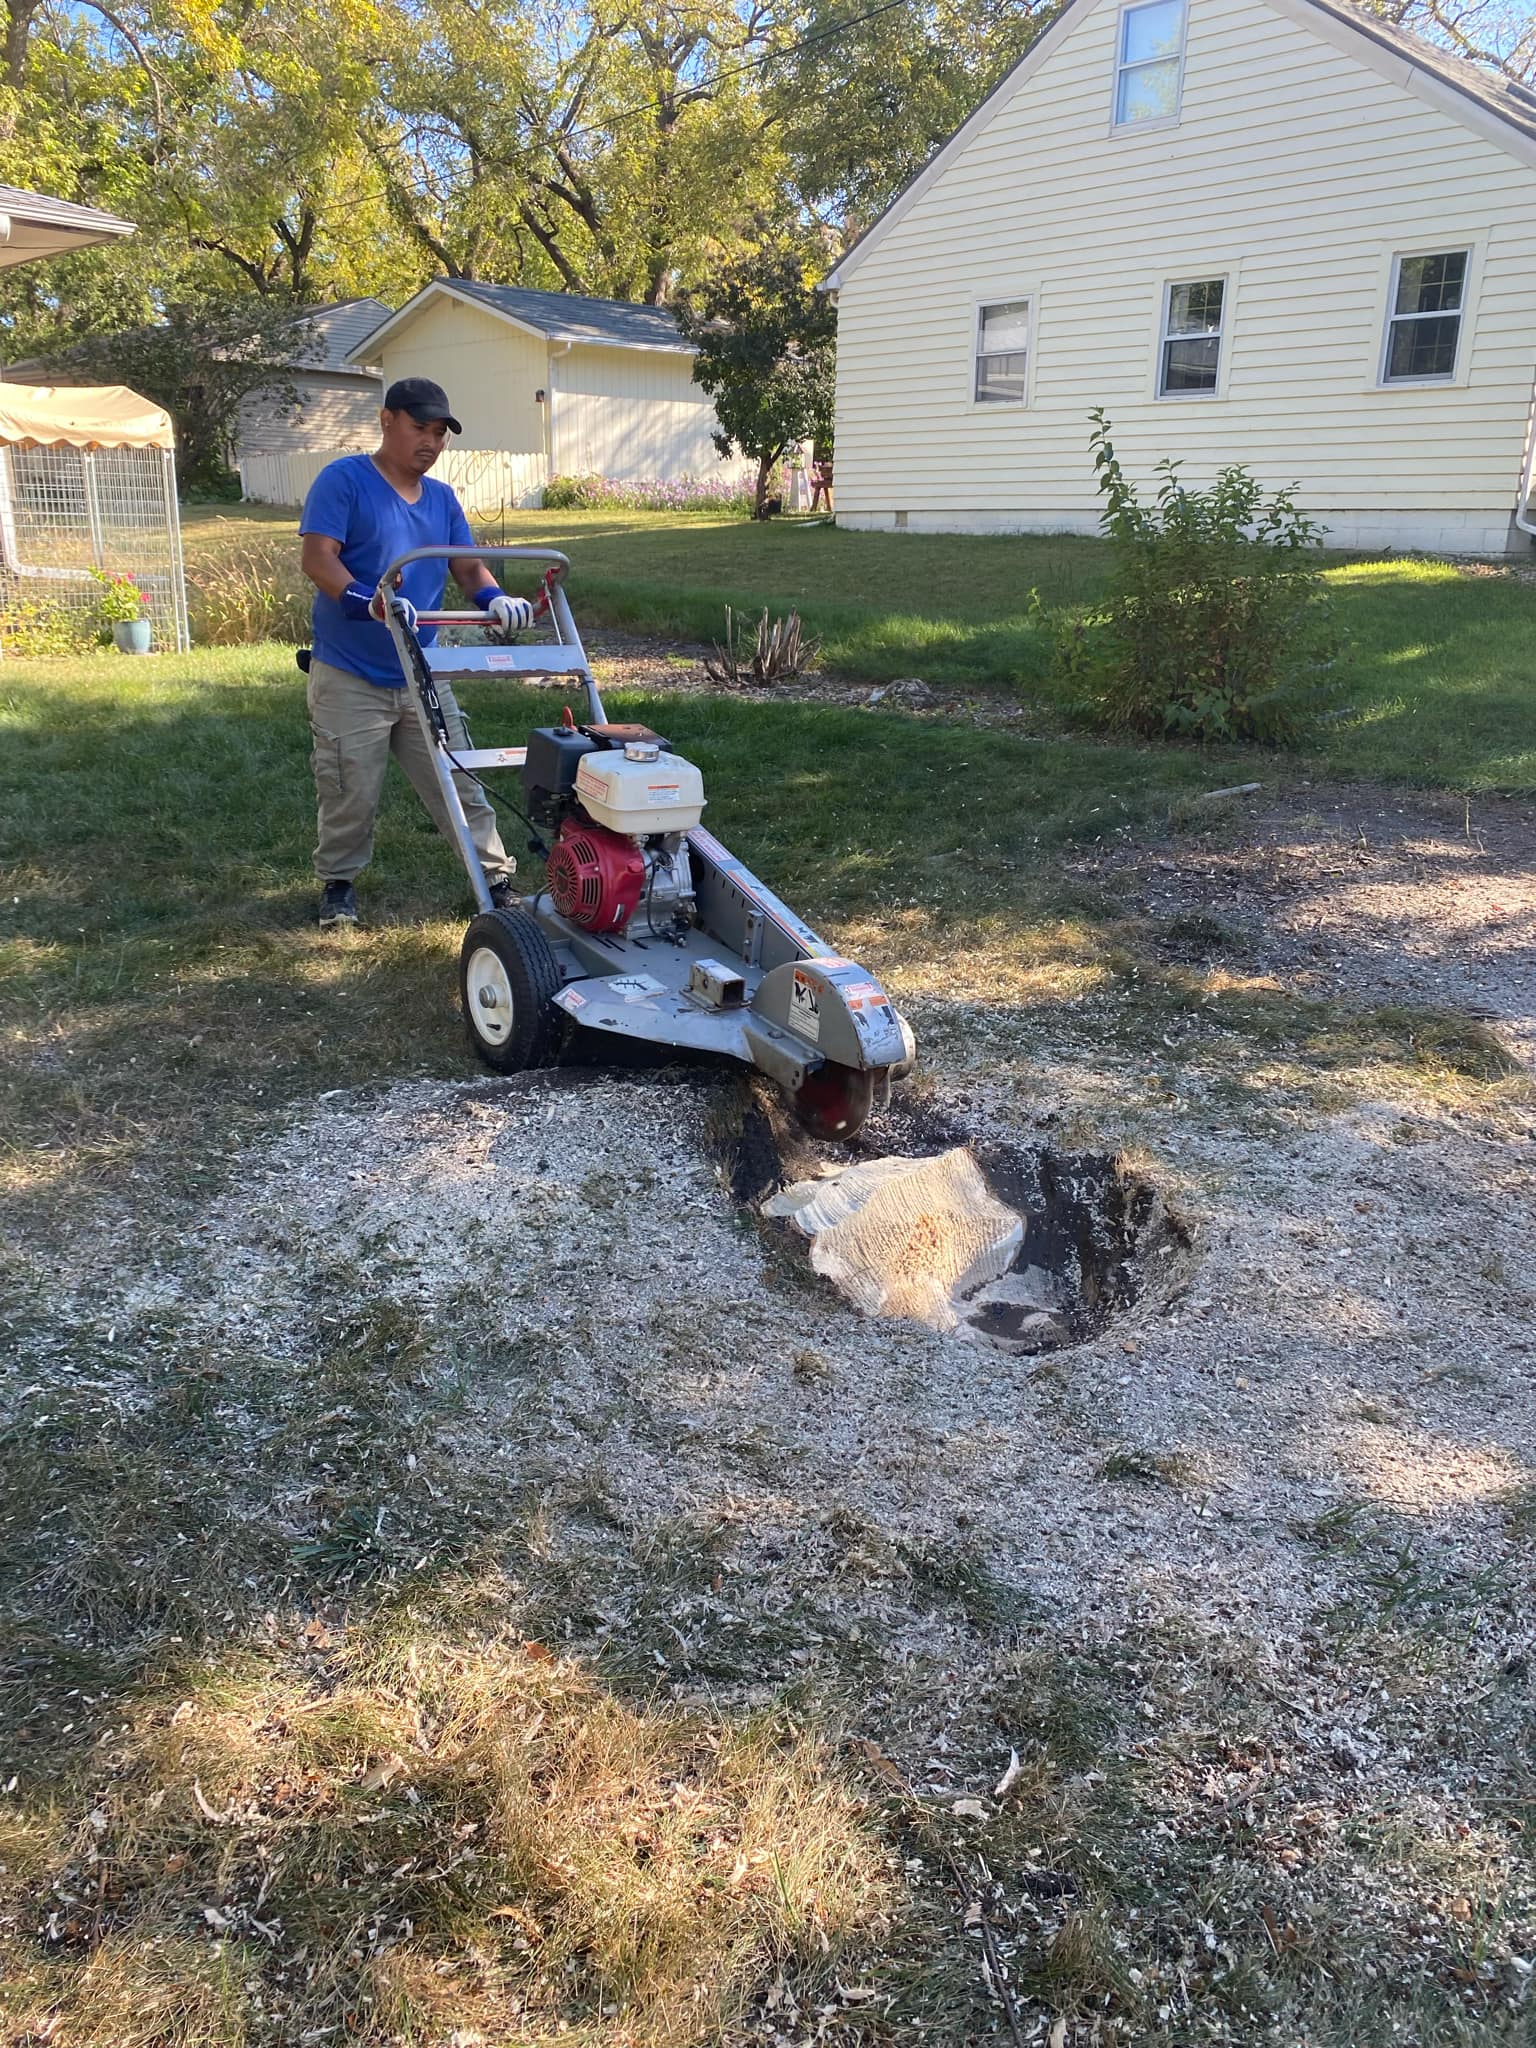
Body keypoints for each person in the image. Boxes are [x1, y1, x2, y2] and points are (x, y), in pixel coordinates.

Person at [298, 376, 534, 928]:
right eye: (419, 428)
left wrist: (496, 599)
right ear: (387, 421)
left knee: (459, 776)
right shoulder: (344, 481)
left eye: (439, 433)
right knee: (349, 784)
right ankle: (338, 883)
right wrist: (366, 600)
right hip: (351, 671)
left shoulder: (442, 499)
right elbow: (318, 558)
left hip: (423, 671)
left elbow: (468, 567)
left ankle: (495, 879)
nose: (430, 442)